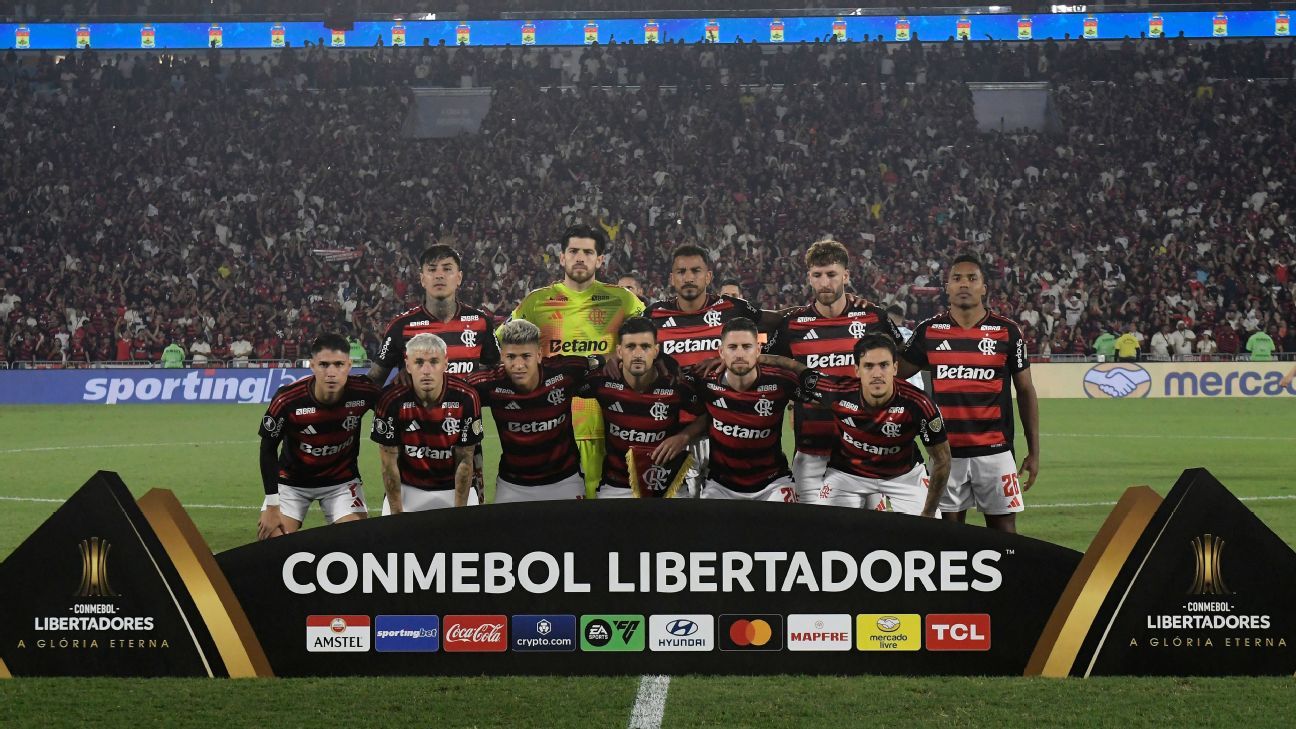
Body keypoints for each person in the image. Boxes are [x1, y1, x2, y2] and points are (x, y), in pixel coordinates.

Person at [898, 254, 1040, 534]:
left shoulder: (1007, 332)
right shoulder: (929, 332)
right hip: (945, 453)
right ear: (947, 287)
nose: (964, 284)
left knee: (1005, 536)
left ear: (984, 287)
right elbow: (892, 372)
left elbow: (1025, 390)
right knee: (949, 538)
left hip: (996, 452)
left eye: (972, 278)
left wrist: (1034, 452)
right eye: (957, 278)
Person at [765, 239, 904, 505]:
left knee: (869, 528)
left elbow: (903, 363)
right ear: (809, 278)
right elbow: (771, 371)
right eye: (817, 275)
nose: (824, 282)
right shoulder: (792, 325)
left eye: (831, 274)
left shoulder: (873, 318)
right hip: (812, 452)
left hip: (866, 449)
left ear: (846, 276)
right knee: (816, 528)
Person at [511, 224, 644, 498]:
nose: (580, 258)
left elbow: (649, 343)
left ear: (600, 259)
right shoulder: (536, 302)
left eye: (588, 252)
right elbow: (504, 344)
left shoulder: (623, 300)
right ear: (562, 257)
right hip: (554, 423)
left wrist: (614, 356)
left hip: (612, 421)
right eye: (573, 251)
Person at [645, 244, 785, 496]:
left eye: (696, 270)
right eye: (681, 272)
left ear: (708, 276)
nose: (689, 277)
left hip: (723, 433)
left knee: (724, 510)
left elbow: (782, 321)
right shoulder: (654, 315)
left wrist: (749, 360)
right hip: (675, 432)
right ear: (672, 278)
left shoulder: (732, 308)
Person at [370, 244, 500, 501]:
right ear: (422, 278)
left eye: (447, 269)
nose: (439, 275)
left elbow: (497, 373)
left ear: (459, 277)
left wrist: (474, 386)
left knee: (470, 515)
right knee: (409, 516)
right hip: (413, 445)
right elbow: (373, 382)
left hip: (465, 440)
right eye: (432, 269)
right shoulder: (401, 326)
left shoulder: (480, 322)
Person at [789, 333, 949, 516]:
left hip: (904, 476)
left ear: (895, 368)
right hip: (848, 474)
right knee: (828, 525)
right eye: (869, 366)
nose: (877, 374)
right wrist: (762, 359)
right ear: (857, 370)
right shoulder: (837, 390)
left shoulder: (919, 403)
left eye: (884, 365)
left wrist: (928, 511)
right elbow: (794, 367)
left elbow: (942, 459)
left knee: (927, 528)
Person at [256, 333, 382, 539]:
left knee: (357, 540)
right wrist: (271, 505)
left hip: (341, 482)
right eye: (324, 365)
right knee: (272, 540)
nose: (331, 372)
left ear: (349, 366)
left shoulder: (364, 391)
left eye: (339, 364)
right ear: (312, 365)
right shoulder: (287, 399)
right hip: (291, 484)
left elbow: (395, 407)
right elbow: (267, 449)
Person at [467, 319, 603, 503]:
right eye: (511, 357)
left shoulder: (565, 371)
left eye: (526, 356)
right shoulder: (488, 384)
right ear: (502, 357)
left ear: (539, 355)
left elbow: (597, 362)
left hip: (565, 481)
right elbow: (456, 393)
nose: (518, 365)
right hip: (512, 485)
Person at [580, 317, 707, 498]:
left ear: (656, 351)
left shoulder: (676, 383)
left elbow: (706, 415)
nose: (638, 354)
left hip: (667, 485)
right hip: (617, 486)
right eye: (630, 346)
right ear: (619, 351)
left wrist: (684, 436)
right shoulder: (601, 381)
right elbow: (561, 381)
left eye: (645, 347)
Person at [694, 317, 816, 501]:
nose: (740, 354)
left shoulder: (781, 381)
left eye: (747, 347)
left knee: (789, 519)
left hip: (773, 483)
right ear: (721, 352)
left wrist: (784, 362)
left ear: (758, 350)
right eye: (732, 347)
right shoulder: (704, 381)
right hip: (720, 485)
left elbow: (825, 393)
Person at [371, 333, 482, 513]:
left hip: (453, 488)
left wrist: (460, 514)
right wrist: (397, 515)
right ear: (408, 365)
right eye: (419, 362)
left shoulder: (466, 396)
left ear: (445, 363)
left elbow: (465, 460)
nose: (426, 370)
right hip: (408, 489)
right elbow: (389, 464)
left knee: (467, 531)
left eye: (434, 362)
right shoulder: (390, 399)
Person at [888, 303, 925, 388]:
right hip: (917, 387)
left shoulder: (884, 337)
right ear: (902, 318)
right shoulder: (914, 336)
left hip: (897, 388)